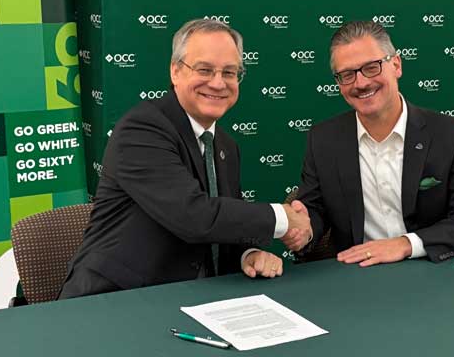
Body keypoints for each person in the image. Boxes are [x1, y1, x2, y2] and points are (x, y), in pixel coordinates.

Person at [59, 19, 311, 299]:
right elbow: (194, 216)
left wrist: (247, 255)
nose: (218, 83)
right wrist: (283, 218)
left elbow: (222, 223)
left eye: (230, 72)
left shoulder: (226, 145)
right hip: (112, 301)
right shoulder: (142, 129)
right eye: (204, 69)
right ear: (175, 71)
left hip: (188, 300)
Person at [294, 21, 454, 266]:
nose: (361, 83)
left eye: (371, 67)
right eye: (347, 75)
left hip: (431, 268)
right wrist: (302, 228)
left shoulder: (450, 135)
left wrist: (406, 244)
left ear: (396, 65)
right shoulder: (323, 139)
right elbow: (313, 212)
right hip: (358, 276)